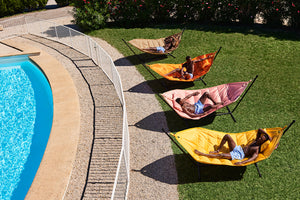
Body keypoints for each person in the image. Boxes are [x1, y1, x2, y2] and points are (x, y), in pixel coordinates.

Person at [194, 128, 272, 165]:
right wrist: (268, 135)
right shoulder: (256, 140)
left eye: (262, 139)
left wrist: (242, 162)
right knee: (227, 136)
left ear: (263, 142)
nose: (260, 138)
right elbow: (259, 130)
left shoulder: (256, 149)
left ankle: (202, 154)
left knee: (222, 155)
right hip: (238, 148)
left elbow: (253, 158)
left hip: (239, 155)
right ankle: (218, 150)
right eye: (261, 137)